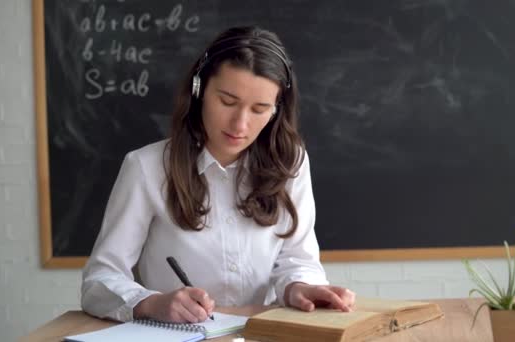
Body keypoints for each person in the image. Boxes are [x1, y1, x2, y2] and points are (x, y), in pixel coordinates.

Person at [81, 26, 356, 324]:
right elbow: (100, 279)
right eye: (227, 101)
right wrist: (151, 303)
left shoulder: (291, 164)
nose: (240, 125)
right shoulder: (145, 167)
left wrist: (300, 287)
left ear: (276, 110)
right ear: (199, 91)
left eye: (260, 109)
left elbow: (298, 261)